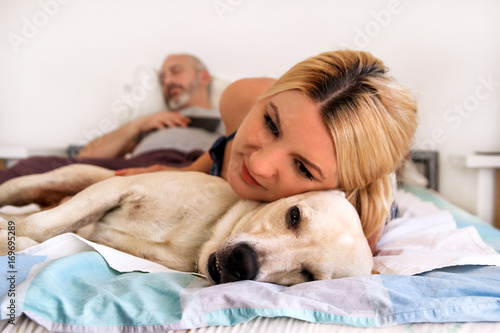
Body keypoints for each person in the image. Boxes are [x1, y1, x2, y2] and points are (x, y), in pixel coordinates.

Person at [116, 50, 418, 253]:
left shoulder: (355, 221)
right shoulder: (240, 99)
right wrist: (184, 172)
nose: (258, 165)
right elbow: (226, 144)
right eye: (271, 124)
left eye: (302, 168)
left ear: (338, 188)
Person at [0, 53, 223, 183]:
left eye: (176, 71)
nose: (168, 81)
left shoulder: (225, 117)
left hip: (190, 168)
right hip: (134, 167)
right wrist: (138, 125)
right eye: (163, 77)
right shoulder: (153, 122)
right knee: (35, 166)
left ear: (203, 77)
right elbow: (86, 157)